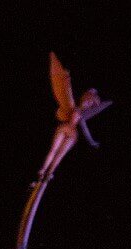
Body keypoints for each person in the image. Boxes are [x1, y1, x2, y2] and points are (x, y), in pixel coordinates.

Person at [37, 52, 111, 182]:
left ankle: (46, 172)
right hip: (68, 130)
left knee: (58, 153)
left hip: (68, 131)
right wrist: (66, 79)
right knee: (55, 151)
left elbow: (85, 128)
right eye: (88, 98)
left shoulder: (79, 111)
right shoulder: (76, 110)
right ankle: (45, 171)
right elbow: (67, 90)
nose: (88, 101)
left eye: (90, 101)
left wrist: (92, 141)